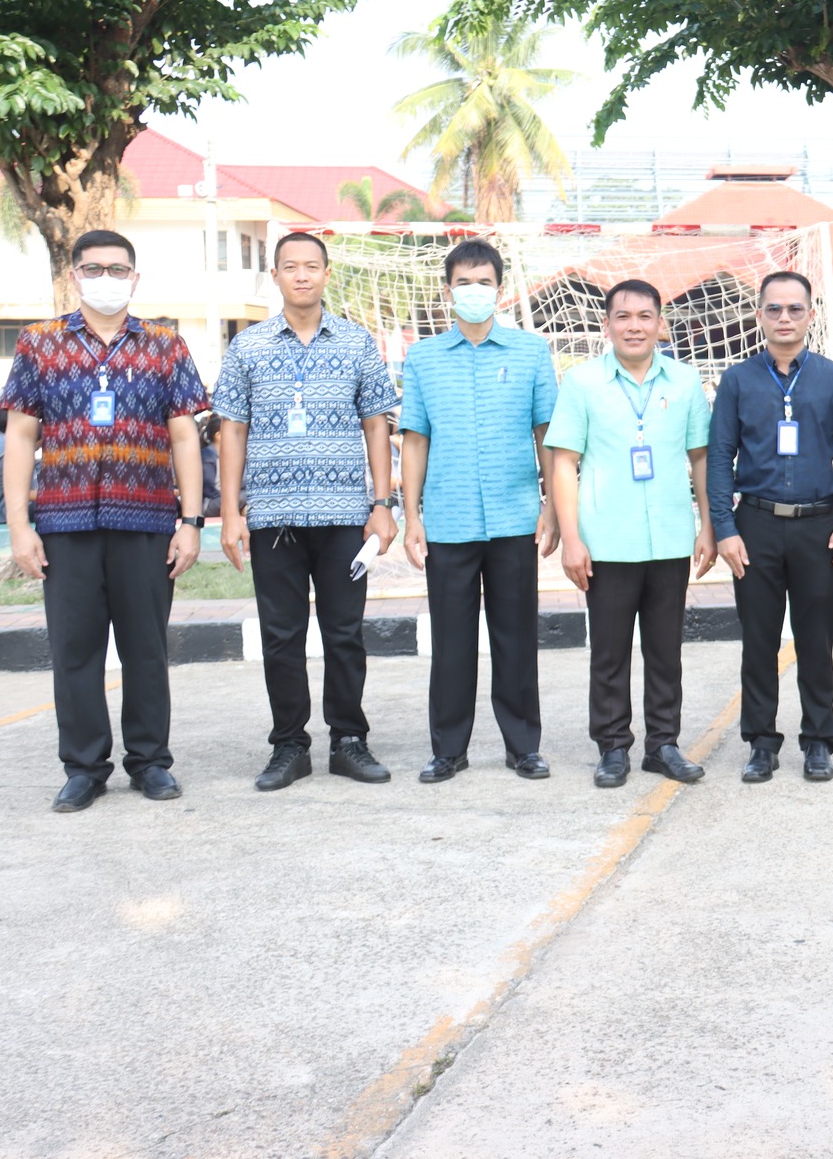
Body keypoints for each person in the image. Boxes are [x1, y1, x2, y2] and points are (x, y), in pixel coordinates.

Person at [0, 230, 208, 812]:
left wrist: (191, 520)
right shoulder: (39, 343)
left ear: (135, 279)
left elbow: (184, 436)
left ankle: (150, 762)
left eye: (118, 270)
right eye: (93, 269)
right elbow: (20, 436)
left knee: (146, 649)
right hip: (65, 523)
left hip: (146, 518)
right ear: (74, 275)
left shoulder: (165, 345)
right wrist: (19, 525)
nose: (106, 279)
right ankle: (84, 767)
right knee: (75, 651)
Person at [213, 231, 401, 792]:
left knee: (345, 635)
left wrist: (382, 504)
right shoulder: (247, 346)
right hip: (273, 517)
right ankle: (289, 746)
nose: (301, 275)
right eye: (290, 266)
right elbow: (232, 430)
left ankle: (349, 741)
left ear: (326, 274)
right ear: (274, 276)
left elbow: (376, 425)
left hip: (345, 516)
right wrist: (231, 513)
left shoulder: (357, 342)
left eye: (311, 266)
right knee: (281, 637)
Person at [545, 278, 716, 789]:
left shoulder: (684, 381)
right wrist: (572, 538)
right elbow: (563, 463)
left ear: (660, 324)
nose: (634, 326)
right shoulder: (582, 383)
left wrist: (707, 526)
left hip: (669, 537)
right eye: (623, 316)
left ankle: (663, 745)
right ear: (607, 325)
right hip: (606, 540)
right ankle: (613, 746)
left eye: (645, 316)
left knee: (665, 652)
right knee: (610, 653)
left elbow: (701, 458)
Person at [400, 239, 560, 783]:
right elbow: (415, 439)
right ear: (448, 291)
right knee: (452, 643)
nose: (474, 291)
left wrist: (551, 508)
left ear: (500, 289)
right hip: (449, 521)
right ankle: (448, 749)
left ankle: (523, 747)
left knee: (516, 638)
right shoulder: (423, 358)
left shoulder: (530, 352)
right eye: (464, 282)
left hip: (515, 518)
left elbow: (546, 434)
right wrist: (412, 516)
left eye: (484, 282)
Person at [709, 271, 833, 783]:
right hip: (754, 524)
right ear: (759, 315)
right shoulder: (737, 380)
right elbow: (719, 457)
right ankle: (761, 742)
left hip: (819, 527)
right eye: (774, 308)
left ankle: (818, 741)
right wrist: (724, 526)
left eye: (794, 309)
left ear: (810, 315)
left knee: (816, 640)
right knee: (758, 640)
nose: (784, 318)